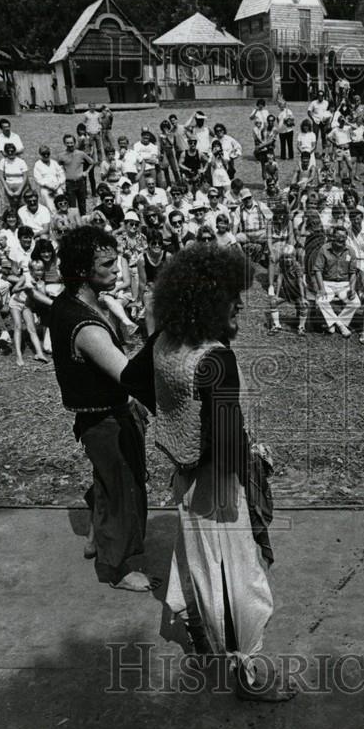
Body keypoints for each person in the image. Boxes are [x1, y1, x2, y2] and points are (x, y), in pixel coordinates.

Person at [119, 243, 294, 701]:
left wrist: (175, 414)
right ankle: (247, 672)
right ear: (207, 302)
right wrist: (255, 462)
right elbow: (228, 440)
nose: (240, 304)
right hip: (217, 483)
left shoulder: (166, 340)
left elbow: (132, 380)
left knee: (193, 556)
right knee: (239, 576)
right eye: (232, 298)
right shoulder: (215, 359)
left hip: (184, 476)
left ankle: (196, 631)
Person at [47, 226, 158, 592]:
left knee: (106, 481)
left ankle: (96, 539)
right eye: (108, 264)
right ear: (82, 270)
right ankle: (119, 568)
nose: (118, 269)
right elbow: (129, 375)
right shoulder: (87, 327)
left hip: (98, 416)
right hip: (107, 420)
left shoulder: (70, 303)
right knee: (123, 490)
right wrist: (155, 328)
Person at [312, 227, 361, 336]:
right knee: (321, 300)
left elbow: (353, 273)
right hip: (327, 282)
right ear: (332, 237)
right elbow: (317, 270)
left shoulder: (350, 251)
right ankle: (341, 325)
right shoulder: (324, 249)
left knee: (355, 302)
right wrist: (321, 288)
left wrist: (352, 289)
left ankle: (333, 324)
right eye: (338, 237)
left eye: (343, 237)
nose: (341, 239)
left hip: (344, 283)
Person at [59, 134, 94, 216]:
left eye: (71, 142)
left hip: (80, 182)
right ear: (64, 143)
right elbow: (56, 167)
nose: (70, 145)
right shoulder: (61, 156)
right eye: (67, 143)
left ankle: (84, 223)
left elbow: (92, 162)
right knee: (72, 207)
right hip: (69, 184)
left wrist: (86, 172)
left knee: (82, 205)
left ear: (74, 143)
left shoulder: (81, 154)